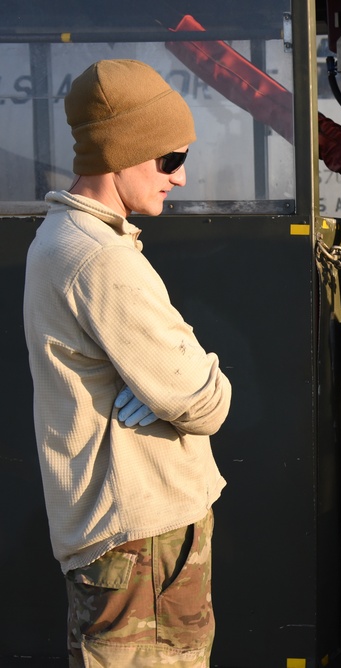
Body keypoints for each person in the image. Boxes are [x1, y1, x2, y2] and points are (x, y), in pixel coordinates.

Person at [23, 59, 232, 667]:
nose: (182, 177)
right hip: (142, 541)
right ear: (124, 152)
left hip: (130, 539)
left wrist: (171, 380)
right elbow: (206, 402)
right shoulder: (100, 259)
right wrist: (196, 375)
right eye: (170, 159)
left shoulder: (68, 240)